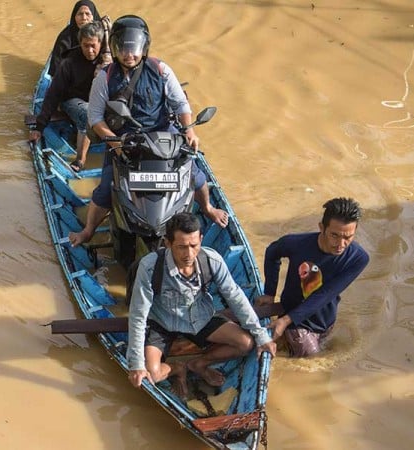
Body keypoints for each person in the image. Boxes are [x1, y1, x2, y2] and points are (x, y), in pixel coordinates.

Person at [68, 15, 228, 247]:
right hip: (124, 140)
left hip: (164, 136)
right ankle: (88, 230)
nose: (129, 54)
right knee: (105, 189)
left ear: (143, 47)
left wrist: (189, 132)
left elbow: (180, 105)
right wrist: (115, 143)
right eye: (123, 49)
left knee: (196, 176)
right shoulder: (104, 78)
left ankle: (208, 207)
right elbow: (95, 118)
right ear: (114, 48)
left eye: (133, 49)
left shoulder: (161, 70)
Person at [126, 212, 276, 398]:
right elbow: (138, 315)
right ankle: (176, 368)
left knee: (245, 343)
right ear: (168, 243)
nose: (188, 254)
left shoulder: (211, 260)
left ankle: (199, 363)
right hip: (162, 323)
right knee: (151, 375)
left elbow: (235, 297)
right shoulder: (150, 267)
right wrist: (136, 364)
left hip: (200, 319)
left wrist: (261, 335)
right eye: (181, 247)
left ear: (201, 240)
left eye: (194, 245)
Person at [256, 197, 370, 357]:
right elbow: (272, 253)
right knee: (309, 357)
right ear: (321, 228)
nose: (341, 244)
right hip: (292, 313)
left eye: (348, 237)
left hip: (324, 321)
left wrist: (285, 320)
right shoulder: (297, 244)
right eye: (335, 235)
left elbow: (326, 294)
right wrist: (269, 293)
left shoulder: (358, 258)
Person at [30, 22, 107, 172]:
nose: (90, 50)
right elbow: (53, 94)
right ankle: (80, 160)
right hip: (71, 100)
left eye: (93, 46)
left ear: (101, 43)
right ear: (80, 44)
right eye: (86, 46)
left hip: (97, 99)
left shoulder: (107, 61)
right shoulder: (69, 63)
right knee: (87, 113)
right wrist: (39, 127)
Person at [48, 1, 103, 77]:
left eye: (87, 14)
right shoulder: (65, 37)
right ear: (74, 17)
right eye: (80, 14)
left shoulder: (103, 34)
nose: (84, 18)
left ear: (93, 16)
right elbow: (56, 66)